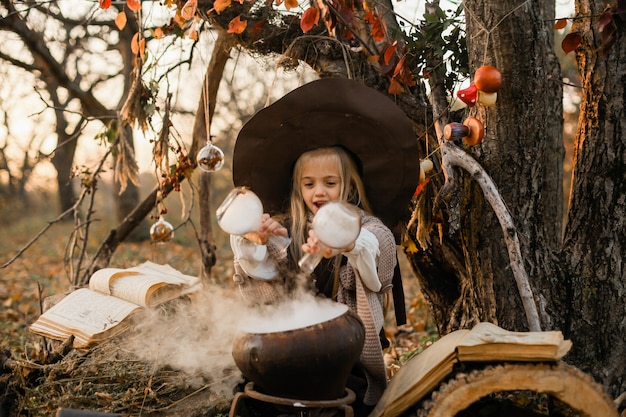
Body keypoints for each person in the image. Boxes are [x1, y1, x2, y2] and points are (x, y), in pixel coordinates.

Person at [228, 78, 420, 416]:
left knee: (335, 402)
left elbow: (376, 263)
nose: (319, 192)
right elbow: (266, 287)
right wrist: (254, 242)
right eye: (309, 184)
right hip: (289, 346)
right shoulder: (287, 228)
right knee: (252, 390)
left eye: (330, 183)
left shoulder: (368, 230)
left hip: (346, 356)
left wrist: (347, 241)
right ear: (297, 187)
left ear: (348, 184)